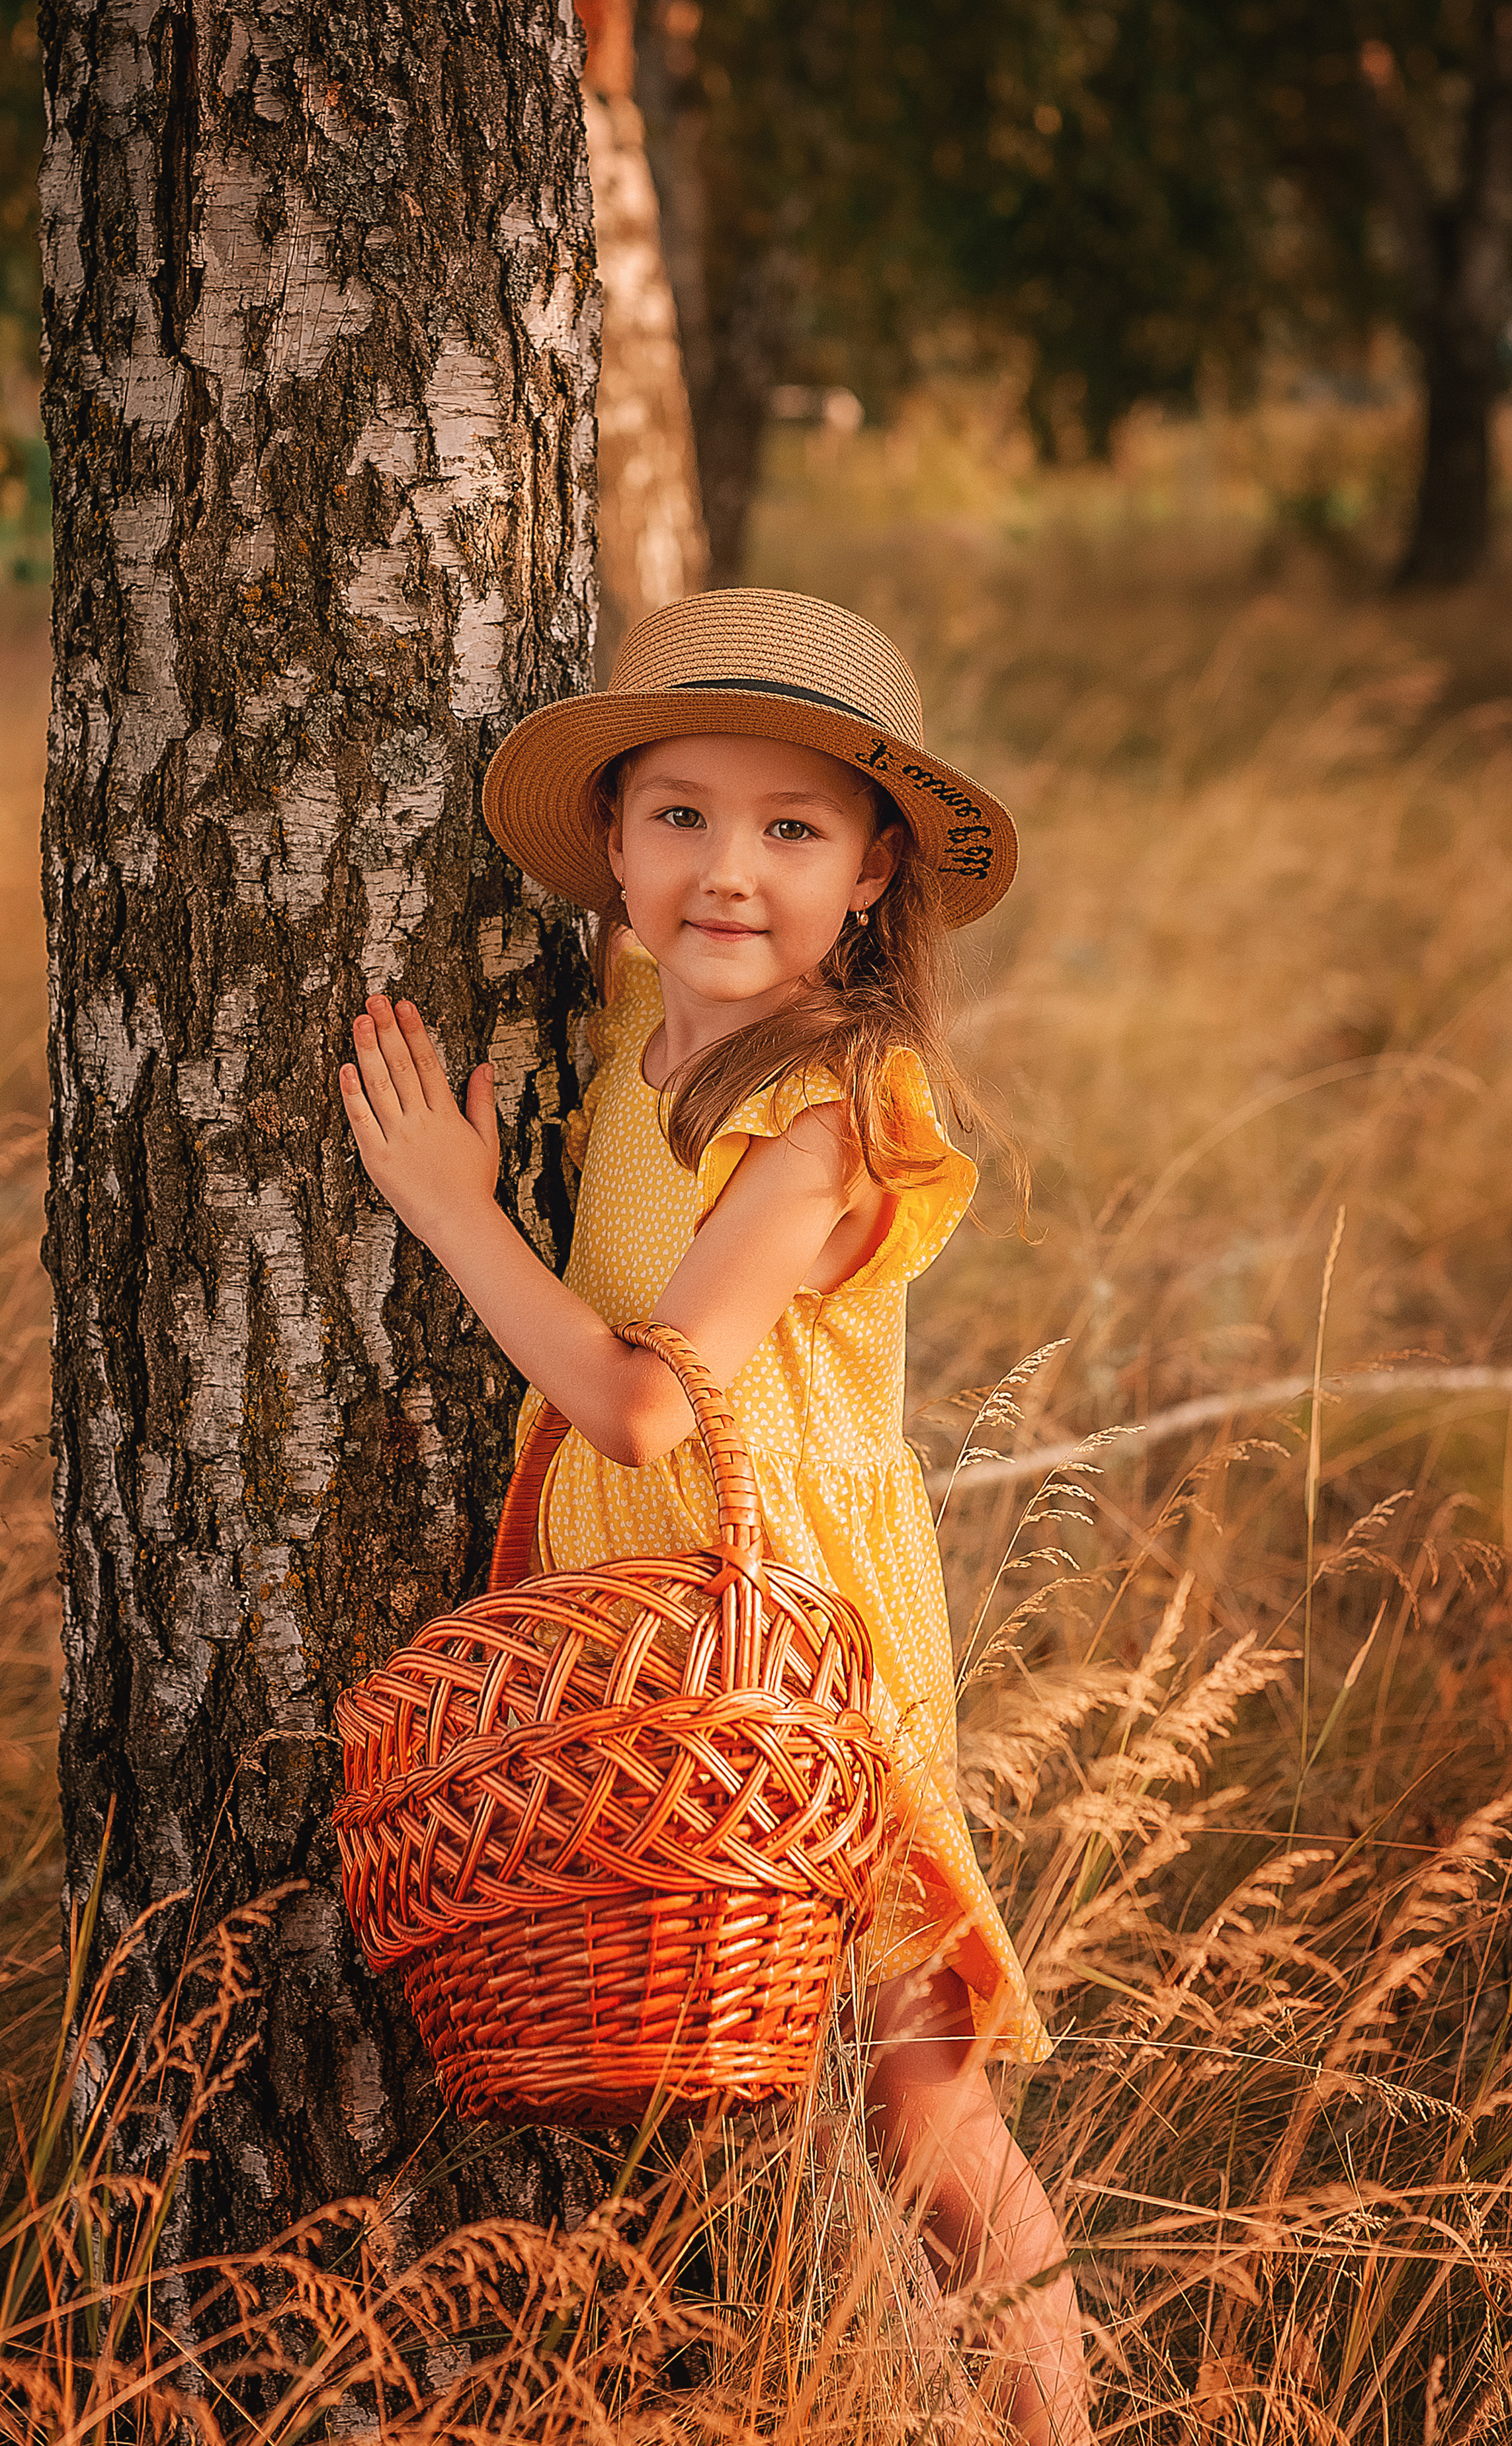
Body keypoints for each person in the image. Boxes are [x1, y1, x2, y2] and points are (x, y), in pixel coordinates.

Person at [339, 588, 1091, 2444]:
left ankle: (1058, 2425)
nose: (727, 873)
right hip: (658, 1632)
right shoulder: (643, 1041)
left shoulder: (833, 1108)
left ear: (874, 870)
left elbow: (647, 1394)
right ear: (610, 848)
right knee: (695, 2059)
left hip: (802, 1630)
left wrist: (454, 1208)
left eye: (793, 829)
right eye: (678, 817)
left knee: (925, 2095)